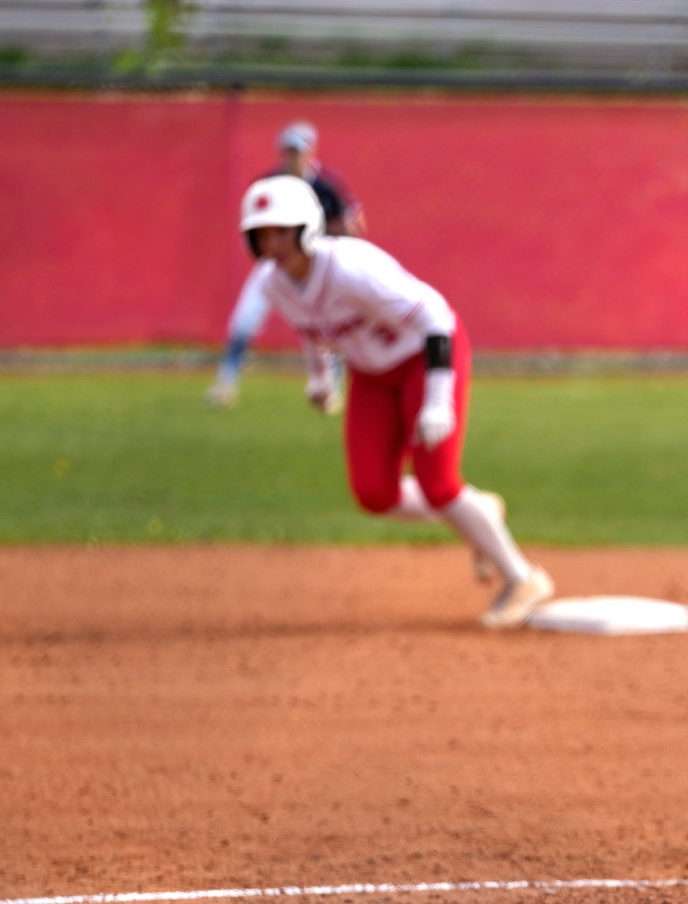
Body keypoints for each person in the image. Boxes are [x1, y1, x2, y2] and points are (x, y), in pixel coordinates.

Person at [234, 174, 553, 630]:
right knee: (373, 492)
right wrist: (321, 379)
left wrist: (438, 400)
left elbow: (436, 317)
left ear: (306, 227)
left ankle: (522, 579)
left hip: (425, 358)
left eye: (281, 231)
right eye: (262, 234)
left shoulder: (349, 268)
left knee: (438, 483)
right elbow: (312, 329)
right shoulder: (274, 283)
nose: (272, 243)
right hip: (372, 373)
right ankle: (479, 513)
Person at [207, 121, 368, 407]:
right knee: (245, 317)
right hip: (276, 262)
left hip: (318, 265)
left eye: (299, 150)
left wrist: (341, 231)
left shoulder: (326, 184)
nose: (293, 156)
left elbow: (354, 224)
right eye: (289, 150)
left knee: (332, 322)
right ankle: (226, 382)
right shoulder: (270, 183)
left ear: (310, 150)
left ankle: (332, 387)